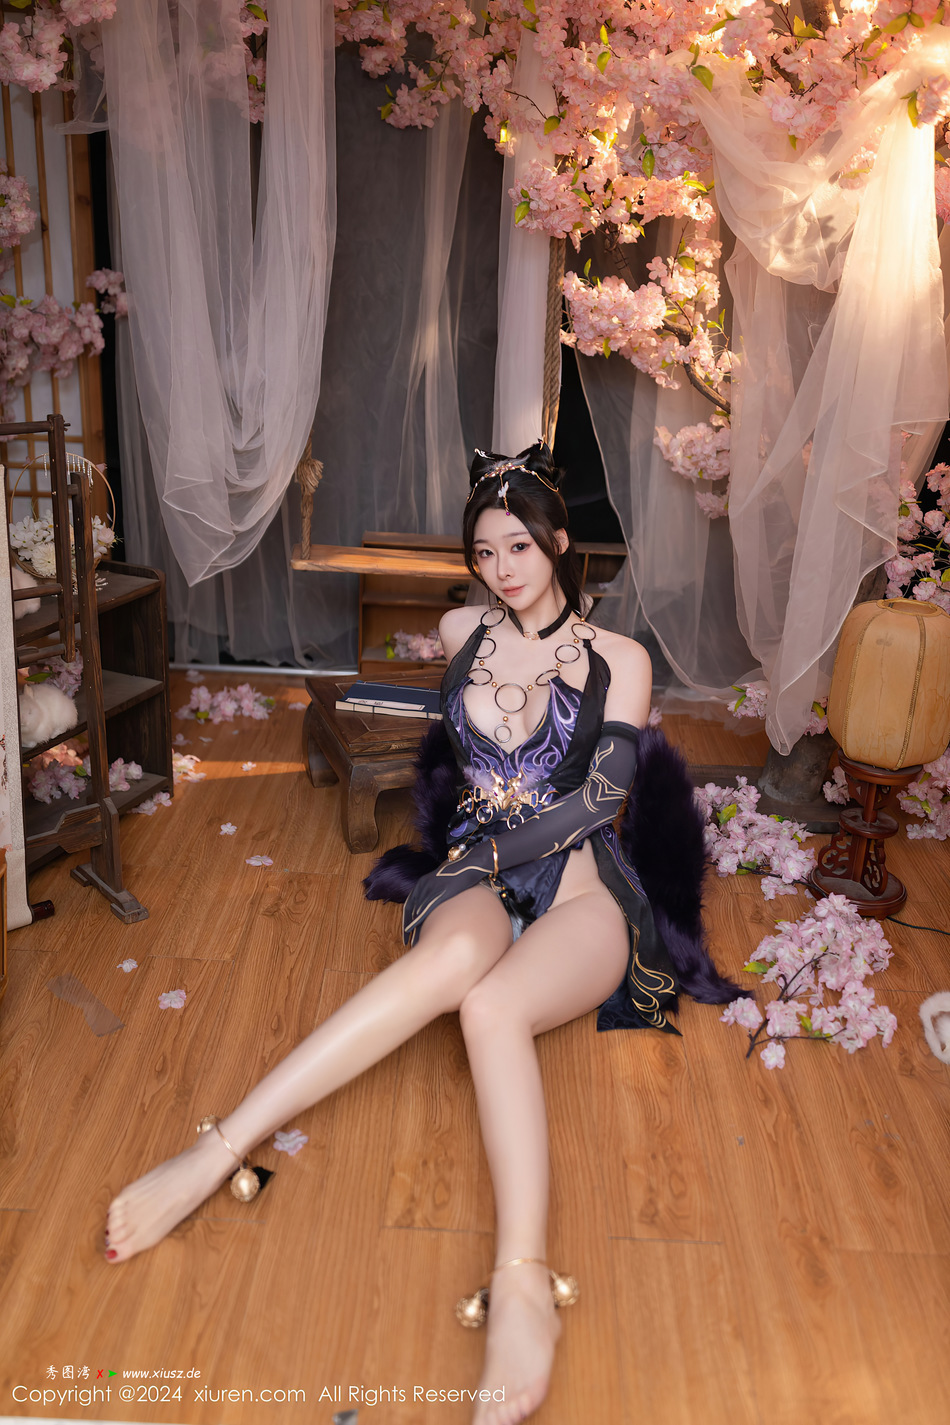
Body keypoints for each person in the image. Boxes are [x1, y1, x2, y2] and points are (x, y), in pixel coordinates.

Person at [104, 441, 737, 1425]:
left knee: (490, 1009)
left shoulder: (621, 658)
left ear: (559, 542)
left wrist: (484, 859)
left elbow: (597, 801)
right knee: (455, 958)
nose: (502, 568)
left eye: (519, 545)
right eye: (484, 551)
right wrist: (476, 864)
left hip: (578, 886)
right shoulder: (459, 631)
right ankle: (218, 1148)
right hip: (476, 868)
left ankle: (522, 1283)